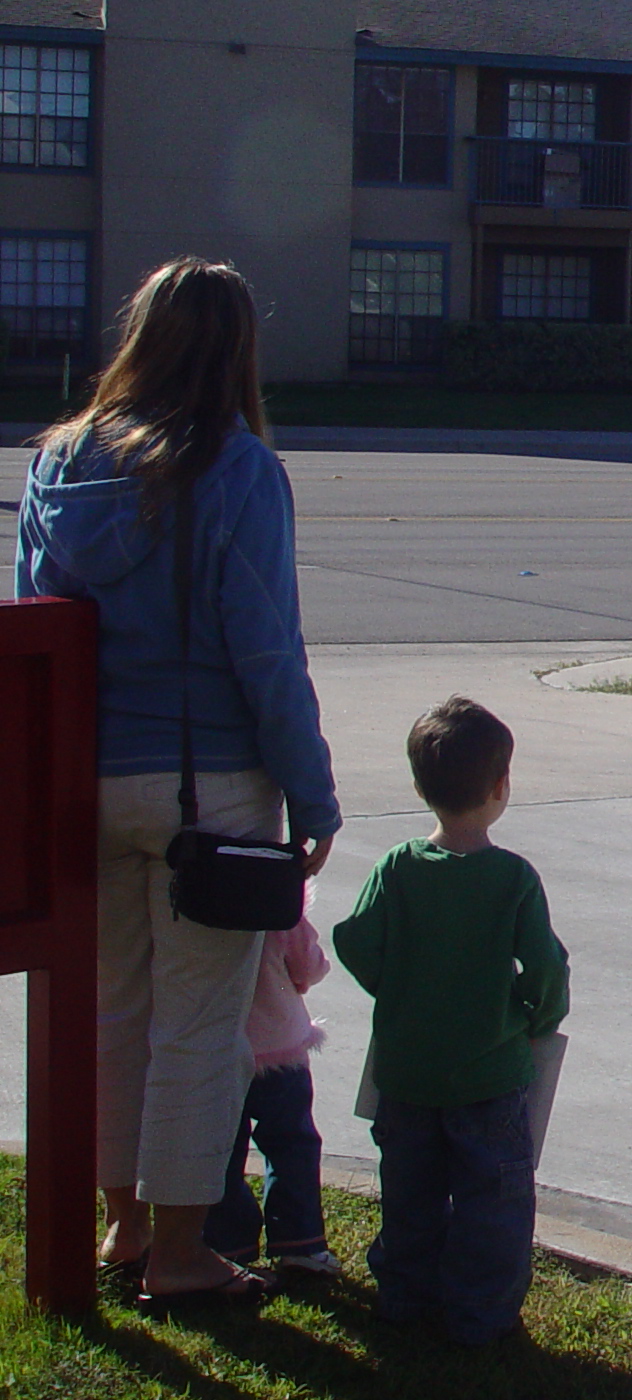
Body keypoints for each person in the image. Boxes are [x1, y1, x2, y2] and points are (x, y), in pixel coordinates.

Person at [14, 256, 339, 1308]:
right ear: (238, 350)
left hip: (81, 786)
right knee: (197, 1026)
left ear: (139, 337)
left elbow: (35, 628)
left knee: (111, 1014)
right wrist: (314, 795)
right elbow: (267, 655)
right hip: (210, 789)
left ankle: (117, 1228)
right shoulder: (238, 470)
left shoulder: (56, 464)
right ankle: (184, 1249)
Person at [334, 697, 569, 1346]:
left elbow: (355, 940)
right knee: (492, 1202)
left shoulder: (396, 867)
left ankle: (404, 1296)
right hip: (490, 1073)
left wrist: (398, 989)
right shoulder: (512, 878)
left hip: (406, 1070)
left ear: (419, 786)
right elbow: (546, 969)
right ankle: (481, 1316)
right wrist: (534, 1018)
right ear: (501, 787)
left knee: (409, 1192)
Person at [203, 910, 335, 1278]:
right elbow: (308, 968)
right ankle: (300, 1243)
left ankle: (228, 1243)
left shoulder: (199, 895)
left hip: (221, 1046)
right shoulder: (278, 904)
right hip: (282, 1049)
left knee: (223, 1150)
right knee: (293, 1144)